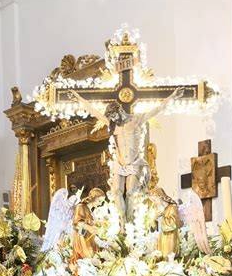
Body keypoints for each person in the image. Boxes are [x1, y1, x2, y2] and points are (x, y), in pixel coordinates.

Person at [70, 88, 183, 224]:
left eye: (114, 117)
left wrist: (173, 96)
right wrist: (78, 98)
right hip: (120, 162)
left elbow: (158, 109)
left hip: (134, 162)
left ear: (120, 111)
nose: (113, 121)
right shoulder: (113, 124)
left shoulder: (136, 120)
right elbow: (93, 111)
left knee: (130, 193)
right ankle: (122, 223)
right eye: (111, 119)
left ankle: (130, 221)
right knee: (117, 191)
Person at [72, 188, 105, 261]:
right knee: (87, 261)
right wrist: (89, 228)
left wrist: (99, 225)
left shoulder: (90, 211)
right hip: (83, 240)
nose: (100, 204)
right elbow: (76, 223)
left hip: (90, 241)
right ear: (93, 198)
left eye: (102, 202)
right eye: (99, 201)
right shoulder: (80, 206)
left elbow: (92, 225)